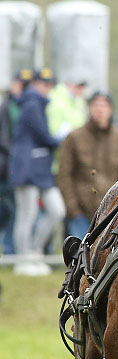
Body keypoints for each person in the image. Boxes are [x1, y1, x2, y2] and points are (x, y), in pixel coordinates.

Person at [7, 68, 65, 275]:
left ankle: (35, 251)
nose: (47, 88)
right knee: (27, 215)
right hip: (26, 169)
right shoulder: (32, 104)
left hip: (41, 170)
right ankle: (23, 259)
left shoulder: (37, 104)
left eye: (50, 85)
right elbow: (44, 137)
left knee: (57, 210)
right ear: (35, 84)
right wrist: (63, 138)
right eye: (43, 84)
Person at [56, 92, 118, 238]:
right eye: (96, 105)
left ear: (110, 110)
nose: (100, 109)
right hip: (81, 211)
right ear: (89, 109)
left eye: (104, 105)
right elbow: (64, 175)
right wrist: (73, 209)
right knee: (81, 256)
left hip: (113, 211)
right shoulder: (74, 137)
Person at [0, 69, 32, 255]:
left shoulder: (24, 106)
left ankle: (10, 248)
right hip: (6, 166)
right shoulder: (6, 106)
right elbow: (5, 138)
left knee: (15, 211)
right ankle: (9, 247)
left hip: (17, 166)